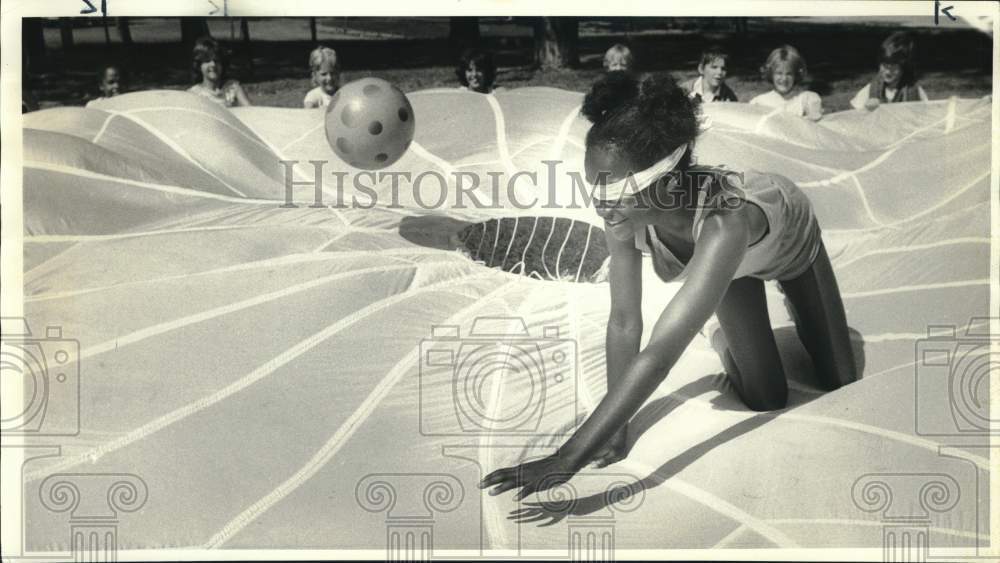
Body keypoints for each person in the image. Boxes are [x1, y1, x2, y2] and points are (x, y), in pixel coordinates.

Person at [480, 73, 858, 500]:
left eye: (616, 187)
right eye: (594, 186)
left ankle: (739, 314)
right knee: (767, 397)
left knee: (839, 379)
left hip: (788, 241)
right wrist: (613, 432)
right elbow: (624, 323)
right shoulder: (619, 216)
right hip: (727, 269)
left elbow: (659, 354)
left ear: (671, 181)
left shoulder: (724, 222)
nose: (600, 202)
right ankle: (717, 329)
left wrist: (569, 457)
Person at [850, 31, 928, 111]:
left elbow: (925, 116)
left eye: (893, 68)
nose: (888, 72)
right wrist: (866, 109)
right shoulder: (871, 89)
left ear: (903, 67)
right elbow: (853, 116)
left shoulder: (914, 89)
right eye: (884, 66)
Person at [750, 45, 823, 121]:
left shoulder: (805, 99)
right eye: (779, 73)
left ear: (796, 75)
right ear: (771, 74)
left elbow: (815, 124)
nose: (784, 79)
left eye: (789, 74)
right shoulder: (759, 102)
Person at [187, 36, 251, 108]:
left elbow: (250, 111)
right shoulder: (193, 93)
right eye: (207, 61)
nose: (213, 64)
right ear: (199, 66)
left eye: (216, 61)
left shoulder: (233, 88)